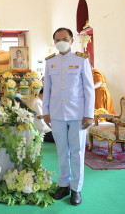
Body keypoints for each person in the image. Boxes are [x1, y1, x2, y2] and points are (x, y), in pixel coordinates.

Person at [42, 27, 94, 206]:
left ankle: (76, 189)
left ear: (72, 40)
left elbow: (89, 89)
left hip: (78, 115)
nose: (60, 42)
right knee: (62, 151)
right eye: (57, 39)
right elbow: (47, 89)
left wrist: (89, 114)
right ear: (54, 42)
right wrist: (46, 111)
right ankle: (63, 184)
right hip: (56, 113)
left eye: (64, 38)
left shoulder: (81, 60)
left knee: (77, 152)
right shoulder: (50, 62)